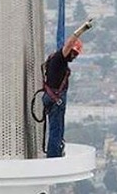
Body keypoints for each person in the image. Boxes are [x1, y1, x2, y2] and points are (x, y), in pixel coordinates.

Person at [42, 19, 93, 158]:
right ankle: (53, 156)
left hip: (52, 96)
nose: (74, 57)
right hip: (55, 98)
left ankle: (57, 150)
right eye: (74, 54)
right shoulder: (60, 58)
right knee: (56, 129)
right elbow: (70, 42)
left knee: (57, 127)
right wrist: (82, 29)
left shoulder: (55, 59)